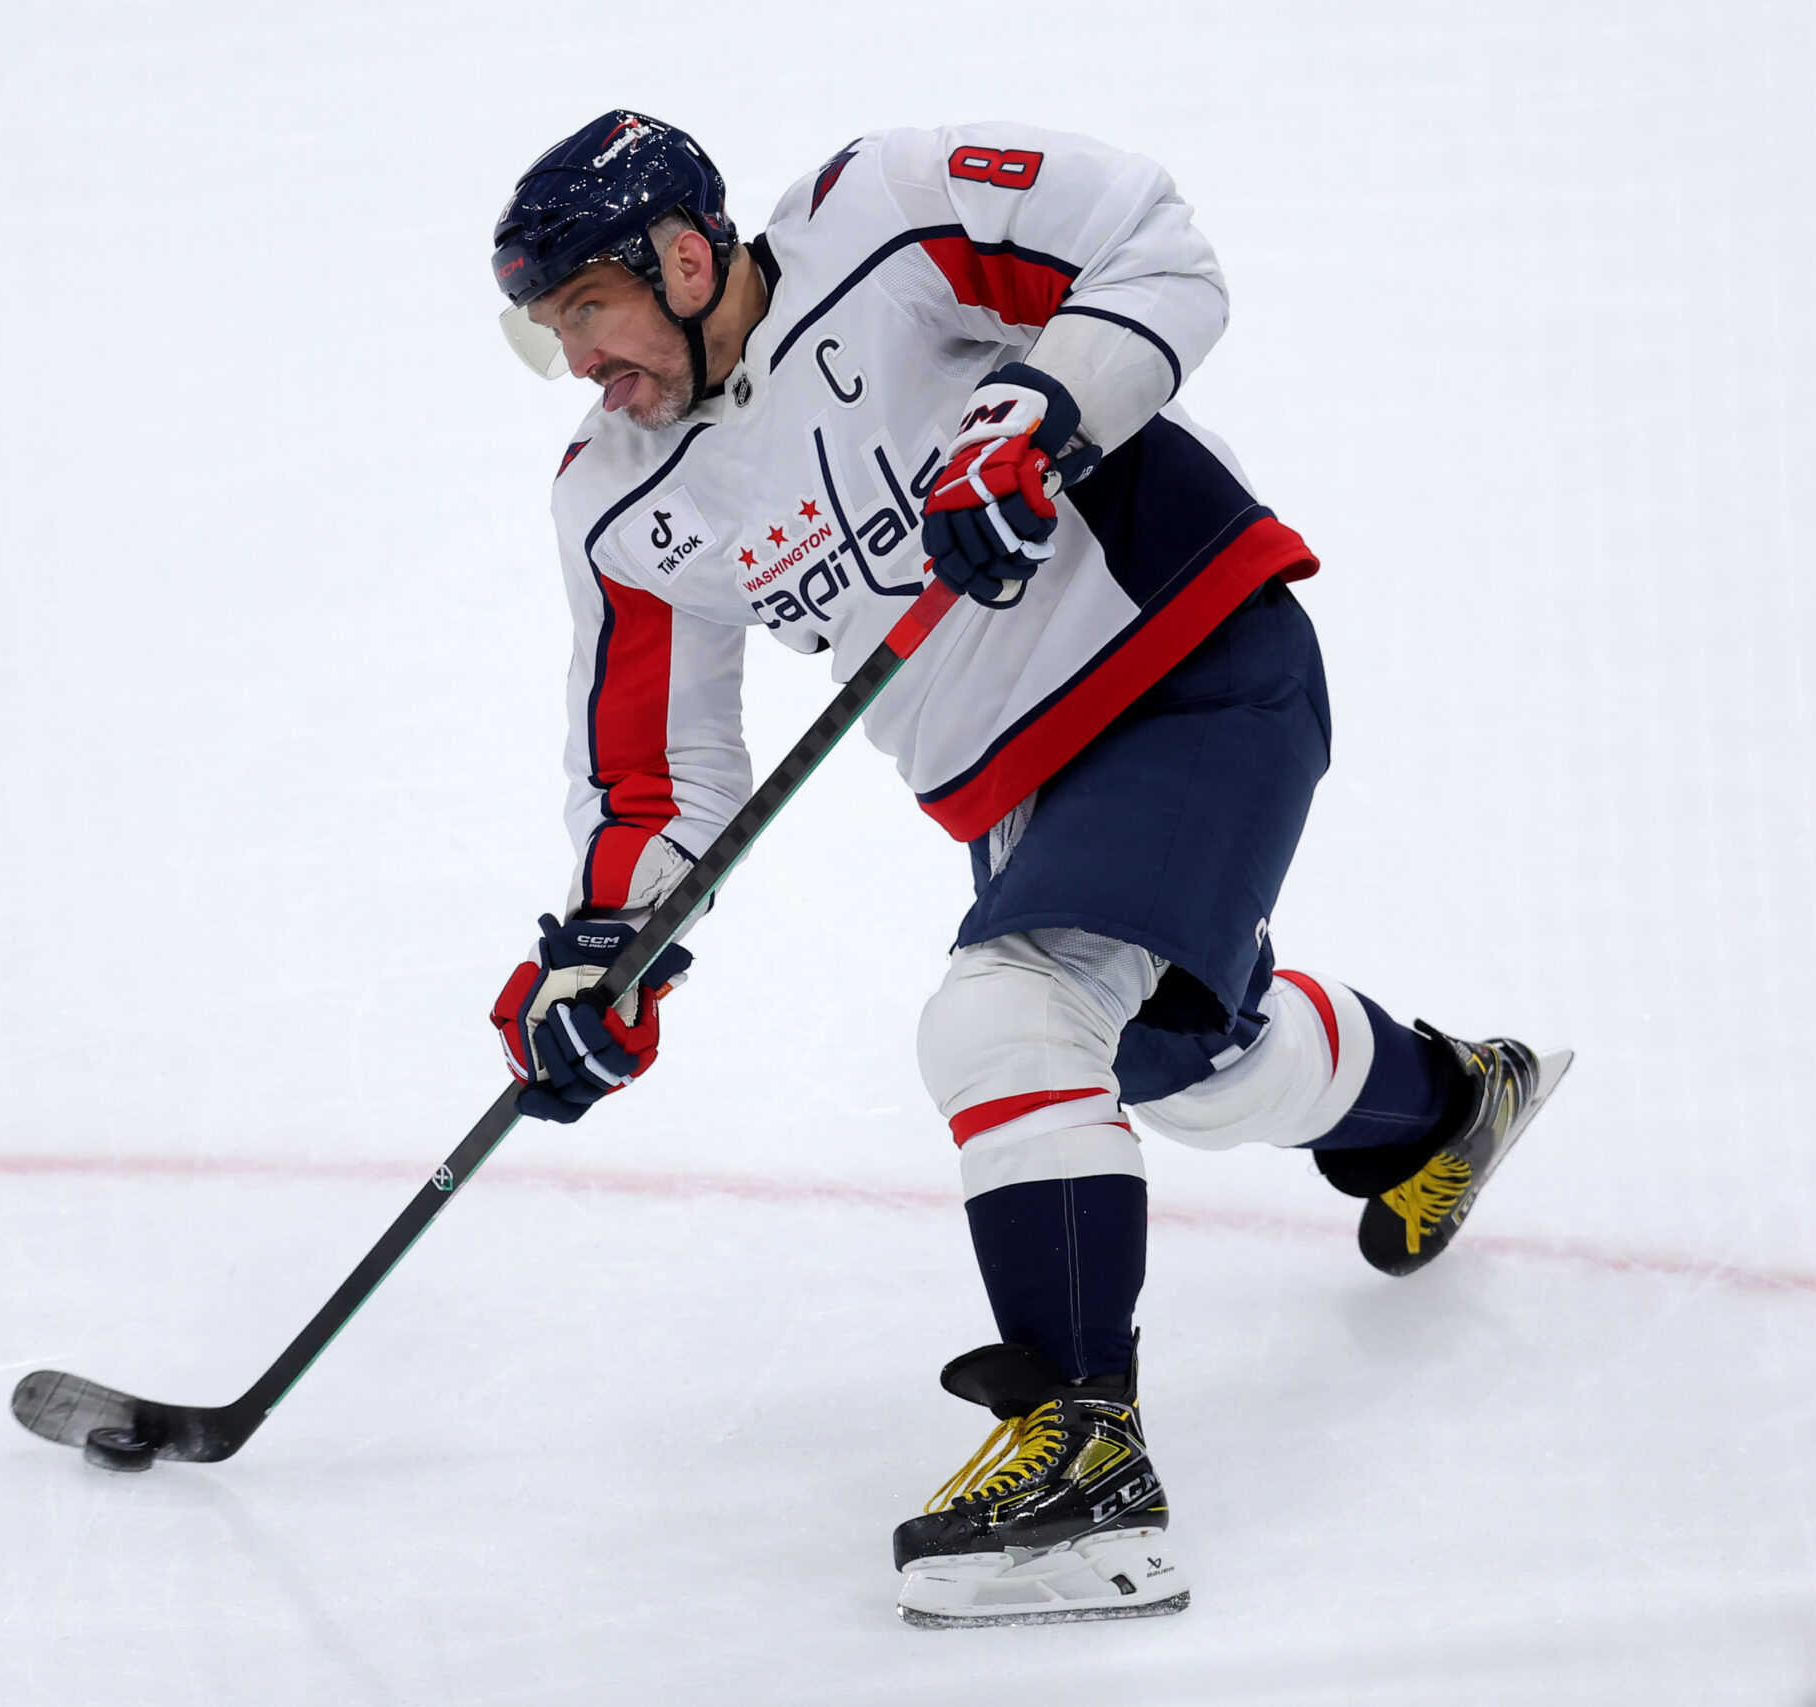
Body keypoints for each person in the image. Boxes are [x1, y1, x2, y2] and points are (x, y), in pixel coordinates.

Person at [484, 111, 1572, 1628]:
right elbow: (665, 771)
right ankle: (1448, 1105)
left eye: (587, 315)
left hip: (1193, 661)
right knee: (1188, 1069)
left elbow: (1153, 244)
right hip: (1027, 791)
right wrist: (606, 948)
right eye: (549, 336)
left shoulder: (884, 217)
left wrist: (1036, 414)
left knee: (1007, 1021)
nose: (582, 361)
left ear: (680, 254)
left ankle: (1085, 1459)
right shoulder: (619, 504)